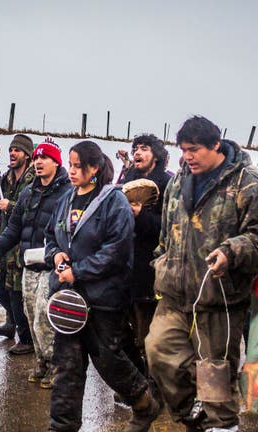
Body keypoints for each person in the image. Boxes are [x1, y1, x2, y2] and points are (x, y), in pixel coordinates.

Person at [145, 116, 258, 432]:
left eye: (194, 150)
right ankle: (190, 410)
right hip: (175, 292)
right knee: (158, 351)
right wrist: (161, 261)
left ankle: (223, 424)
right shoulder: (179, 181)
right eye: (183, 150)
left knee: (214, 371)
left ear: (215, 146)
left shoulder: (245, 180)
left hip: (219, 294)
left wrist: (231, 251)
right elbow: (167, 232)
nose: (187, 156)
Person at [45, 140, 160, 432]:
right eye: (69, 165)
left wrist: (79, 271)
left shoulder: (114, 201)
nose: (70, 171)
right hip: (69, 299)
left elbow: (117, 250)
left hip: (103, 299)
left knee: (108, 360)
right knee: (67, 367)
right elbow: (51, 236)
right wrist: (55, 255)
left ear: (94, 168)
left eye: (77, 166)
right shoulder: (66, 199)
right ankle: (61, 427)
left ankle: (144, 402)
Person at [0, 139, 71, 388]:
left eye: (45, 158)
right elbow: (14, 227)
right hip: (29, 265)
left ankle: (57, 366)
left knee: (45, 318)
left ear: (56, 162)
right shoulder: (28, 192)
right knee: (31, 315)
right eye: (36, 158)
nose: (39, 162)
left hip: (51, 266)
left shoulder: (66, 193)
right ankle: (42, 361)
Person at [116, 134, 173, 383]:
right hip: (124, 266)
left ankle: (153, 384)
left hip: (150, 269)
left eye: (144, 149)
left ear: (157, 155)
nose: (138, 153)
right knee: (124, 328)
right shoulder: (127, 180)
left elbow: (169, 228)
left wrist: (141, 215)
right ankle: (136, 378)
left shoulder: (168, 184)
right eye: (135, 148)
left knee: (149, 332)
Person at [0, 134, 36, 355]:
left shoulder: (33, 179)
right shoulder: (6, 177)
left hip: (21, 243)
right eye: (11, 149)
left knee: (16, 291)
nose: (13, 153)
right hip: (3, 240)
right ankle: (11, 321)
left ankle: (26, 338)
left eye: (18, 150)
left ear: (27, 155)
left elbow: (33, 208)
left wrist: (11, 205)